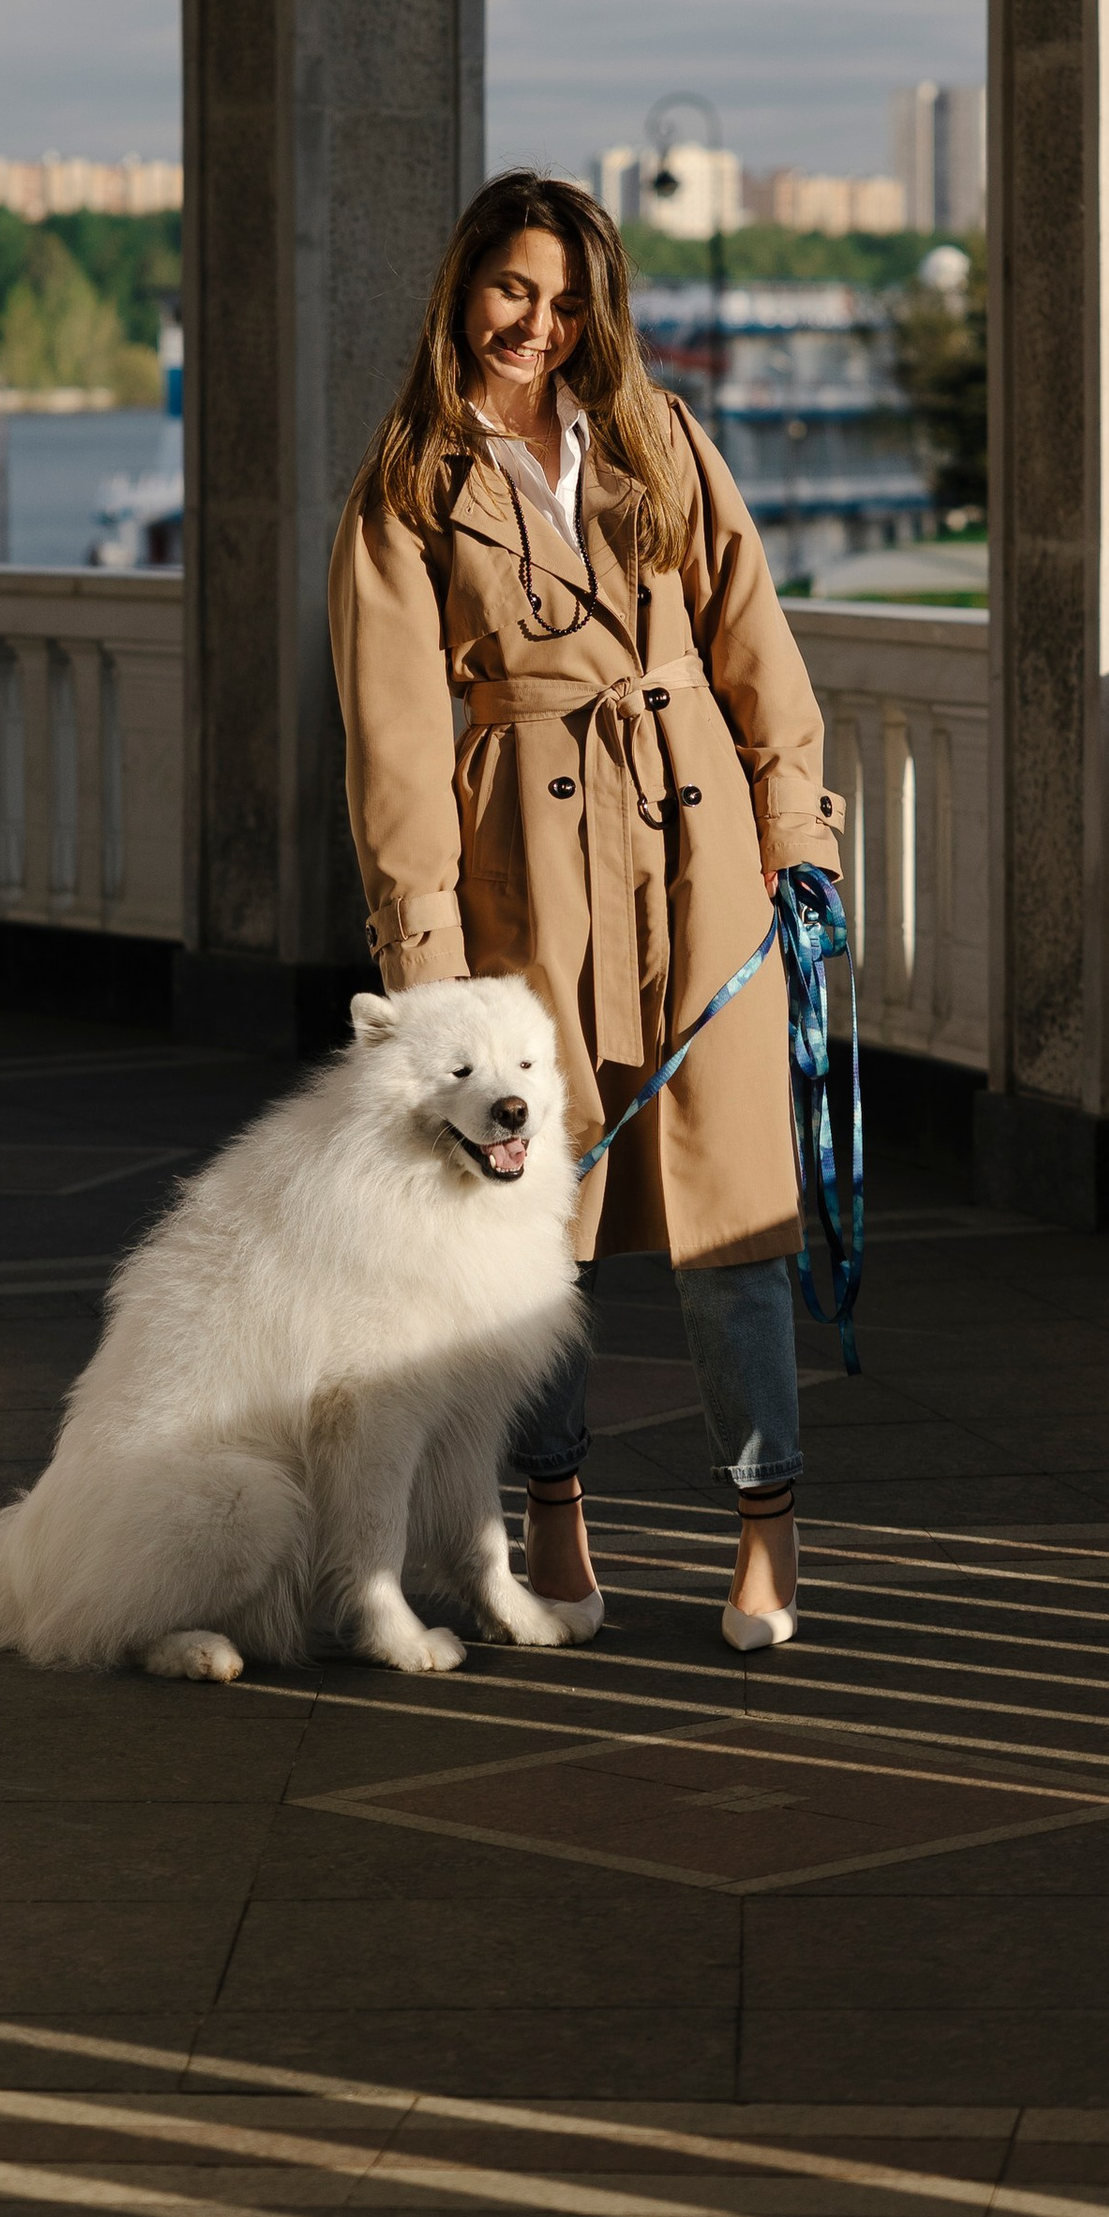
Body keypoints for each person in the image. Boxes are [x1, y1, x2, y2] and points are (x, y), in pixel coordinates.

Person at [328, 169, 845, 1651]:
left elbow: (761, 652)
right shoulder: (410, 483)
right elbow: (394, 743)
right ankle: (555, 1523)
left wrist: (797, 836)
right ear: (463, 287)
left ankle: (769, 1532)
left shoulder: (661, 438)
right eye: (511, 289)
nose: (535, 326)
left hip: (703, 861)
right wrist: (427, 964)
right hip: (526, 880)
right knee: (533, 1214)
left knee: (735, 1208)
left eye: (563, 302)